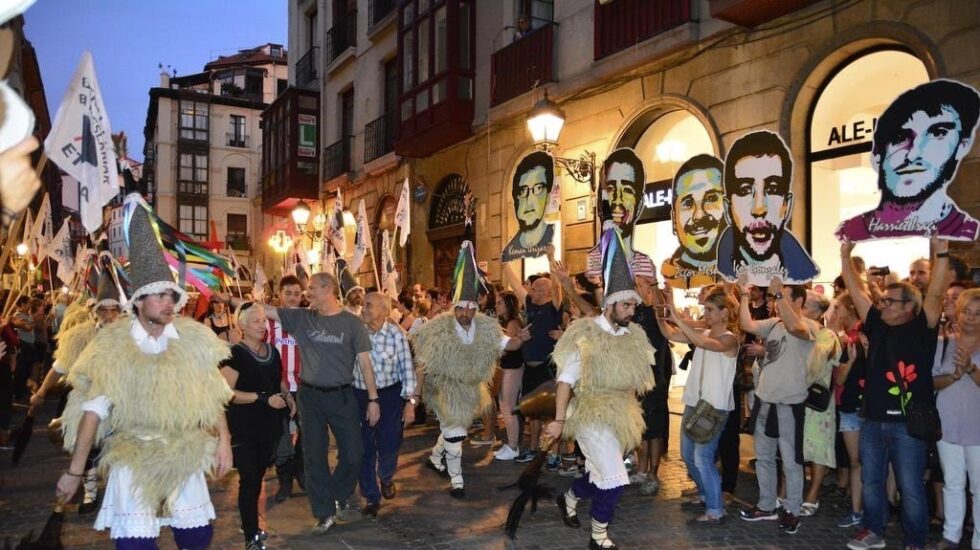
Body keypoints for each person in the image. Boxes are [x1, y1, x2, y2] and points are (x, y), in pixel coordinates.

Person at [55, 196, 234, 549]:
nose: (168, 302)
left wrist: (224, 441)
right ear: (138, 301)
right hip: (133, 455)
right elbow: (92, 414)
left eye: (171, 295)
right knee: (135, 543)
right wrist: (75, 472)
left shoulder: (191, 340)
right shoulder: (114, 348)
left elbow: (212, 396)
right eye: (159, 296)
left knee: (197, 537)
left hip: (184, 451)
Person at [218, 271, 382, 536]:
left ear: (328, 289)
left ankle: (337, 494)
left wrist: (373, 399)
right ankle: (324, 512)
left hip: (342, 396)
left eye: (312, 290)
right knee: (314, 456)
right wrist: (228, 298)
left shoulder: (352, 324)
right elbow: (265, 309)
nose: (307, 295)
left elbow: (365, 363)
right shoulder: (302, 318)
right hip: (310, 397)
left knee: (354, 452)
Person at [547, 225, 656, 550]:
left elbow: (637, 378)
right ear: (610, 304)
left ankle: (569, 497)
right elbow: (565, 380)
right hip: (591, 414)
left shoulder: (632, 334)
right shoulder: (587, 334)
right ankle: (599, 536)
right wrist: (560, 420)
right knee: (615, 480)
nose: (632, 311)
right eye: (626, 306)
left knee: (600, 475)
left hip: (620, 416)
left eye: (634, 306)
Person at [840, 237, 947, 550]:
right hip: (872, 419)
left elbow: (937, 292)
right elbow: (857, 291)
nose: (882, 304)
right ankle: (873, 531)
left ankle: (915, 540)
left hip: (908, 424)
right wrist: (846, 255)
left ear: (909, 307)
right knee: (872, 480)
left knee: (911, 486)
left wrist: (941, 252)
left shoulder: (922, 328)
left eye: (889, 301)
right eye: (882, 300)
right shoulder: (877, 324)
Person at [414, 241, 525, 497]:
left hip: (470, 389)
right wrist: (415, 397)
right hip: (445, 389)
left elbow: (505, 343)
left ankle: (434, 458)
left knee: (457, 429)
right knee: (455, 435)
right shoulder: (438, 330)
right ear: (455, 307)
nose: (465, 312)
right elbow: (423, 364)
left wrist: (519, 340)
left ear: (476, 308)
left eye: (470, 308)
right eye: (461, 308)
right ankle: (457, 481)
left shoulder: (485, 328)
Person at [835, 79, 980, 241]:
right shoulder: (848, 232)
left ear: (962, 147)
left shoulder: (966, 231)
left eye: (938, 133)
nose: (913, 154)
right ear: (876, 156)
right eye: (900, 138)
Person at [31, 269, 122, 514]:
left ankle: (120, 494)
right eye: (104, 310)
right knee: (90, 448)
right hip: (89, 399)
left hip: (124, 402)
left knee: (122, 451)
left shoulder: (131, 336)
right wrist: (40, 393)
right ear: (96, 312)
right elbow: (59, 367)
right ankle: (90, 494)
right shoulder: (80, 337)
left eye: (115, 310)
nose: (110, 315)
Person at [737, 275, 819, 536]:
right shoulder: (774, 324)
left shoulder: (808, 326)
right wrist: (743, 295)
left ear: (798, 300)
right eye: (774, 297)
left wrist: (779, 295)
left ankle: (792, 510)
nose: (774, 301)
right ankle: (766, 505)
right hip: (765, 400)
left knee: (791, 462)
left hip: (789, 404)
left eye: (782, 296)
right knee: (763, 458)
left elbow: (798, 331)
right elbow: (746, 323)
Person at [658, 286, 739, 522]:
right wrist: (661, 314)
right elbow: (671, 335)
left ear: (725, 313)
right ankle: (705, 494)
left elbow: (703, 344)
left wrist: (674, 314)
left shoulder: (730, 339)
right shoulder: (705, 333)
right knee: (688, 455)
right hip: (695, 401)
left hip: (714, 407)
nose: (706, 314)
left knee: (703, 458)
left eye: (711, 310)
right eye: (706, 309)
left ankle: (715, 509)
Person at [220, 302, 294, 550]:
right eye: (256, 321)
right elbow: (225, 392)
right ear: (242, 325)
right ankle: (250, 535)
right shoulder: (235, 354)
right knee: (249, 479)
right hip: (245, 428)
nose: (262, 326)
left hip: (269, 427)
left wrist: (288, 395)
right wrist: (261, 397)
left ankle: (250, 523)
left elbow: (278, 380)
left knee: (259, 475)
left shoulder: (272, 351)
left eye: (264, 321)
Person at [716, 131, 819, 285]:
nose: (759, 209)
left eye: (772, 189)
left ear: (787, 205)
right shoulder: (723, 259)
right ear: (728, 208)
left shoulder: (800, 271)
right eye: (745, 190)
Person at [355, 292, 416, 517]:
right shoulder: (356, 332)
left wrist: (410, 402)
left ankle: (386, 476)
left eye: (369, 305)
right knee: (364, 447)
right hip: (360, 395)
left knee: (390, 442)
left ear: (384, 310)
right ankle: (371, 496)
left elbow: (407, 369)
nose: (364, 308)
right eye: (363, 305)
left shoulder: (396, 335)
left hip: (390, 396)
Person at [931, 288, 980, 550]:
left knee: (979, 488)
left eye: (978, 314)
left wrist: (971, 369)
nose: (971, 318)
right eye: (966, 312)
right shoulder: (943, 343)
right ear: (957, 314)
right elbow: (932, 382)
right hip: (948, 423)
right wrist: (955, 375)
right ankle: (951, 536)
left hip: (978, 427)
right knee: (952, 483)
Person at [502, 259, 563, 464]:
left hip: (548, 367)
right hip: (530, 368)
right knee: (533, 412)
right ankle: (534, 449)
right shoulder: (530, 304)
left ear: (546, 292)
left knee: (552, 411)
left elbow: (557, 287)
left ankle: (553, 454)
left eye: (536, 288)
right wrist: (504, 263)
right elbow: (515, 286)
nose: (531, 291)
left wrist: (551, 255)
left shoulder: (554, 307)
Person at [800, 291, 842, 517]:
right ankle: (788, 492)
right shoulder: (795, 330)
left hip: (816, 401)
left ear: (817, 312)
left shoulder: (828, 335)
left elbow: (815, 364)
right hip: (794, 398)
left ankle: (813, 495)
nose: (799, 308)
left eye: (804, 305)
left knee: (818, 449)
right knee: (793, 448)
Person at [585, 150, 656, 284]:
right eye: (611, 188)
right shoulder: (594, 259)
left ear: (640, 204)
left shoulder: (645, 265)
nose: (618, 200)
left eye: (627, 190)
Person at [265, 275, 305, 503]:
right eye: (288, 293)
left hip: (304, 388)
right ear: (280, 295)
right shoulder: (269, 323)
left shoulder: (307, 321)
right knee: (281, 437)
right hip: (278, 389)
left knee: (307, 435)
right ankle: (284, 480)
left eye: (297, 294)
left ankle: (301, 472)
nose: (292, 298)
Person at [661, 154, 726, 288]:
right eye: (688, 203)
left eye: (711, 198)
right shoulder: (667, 280)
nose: (698, 215)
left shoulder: (745, 274)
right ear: (674, 219)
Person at [830, 295, 867, 529]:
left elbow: (840, 378)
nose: (836, 313)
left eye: (839, 309)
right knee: (857, 462)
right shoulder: (848, 340)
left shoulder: (860, 337)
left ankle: (861, 510)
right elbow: (840, 377)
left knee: (860, 462)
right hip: (852, 406)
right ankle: (858, 510)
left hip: (861, 406)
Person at [501, 151, 555, 261]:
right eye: (522, 191)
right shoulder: (509, 252)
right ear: (515, 198)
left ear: (548, 196)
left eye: (538, 188)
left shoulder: (552, 236)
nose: (529, 201)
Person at [493, 290, 525, 461]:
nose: (496, 306)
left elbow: (510, 346)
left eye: (500, 303)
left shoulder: (513, 323)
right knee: (505, 406)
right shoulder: (506, 322)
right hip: (507, 368)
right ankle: (511, 443)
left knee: (508, 408)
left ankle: (513, 446)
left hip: (512, 368)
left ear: (509, 305)